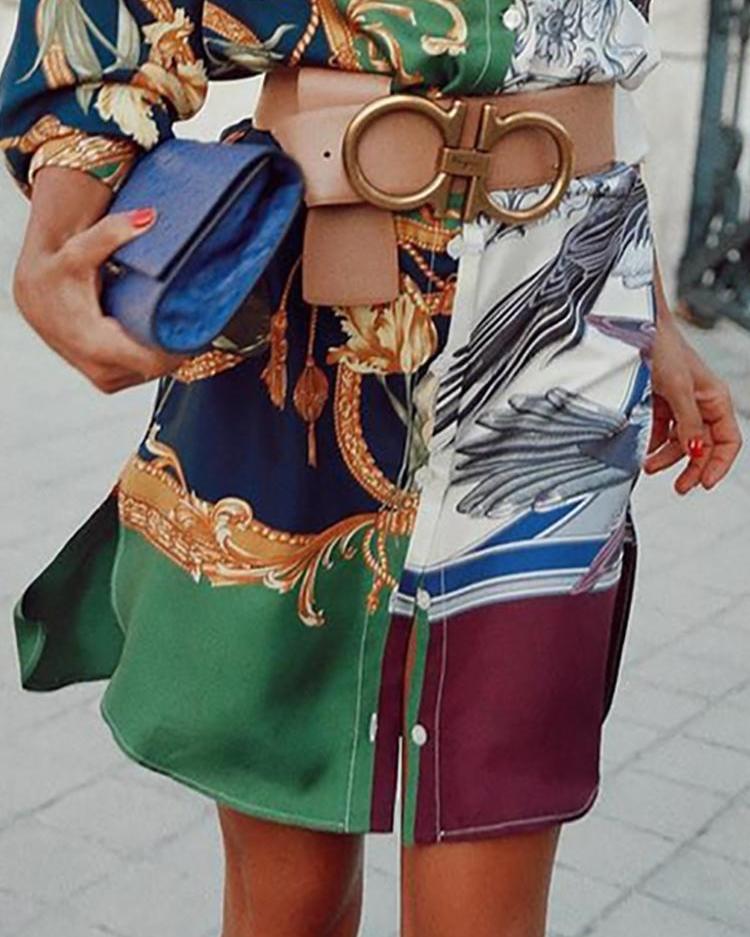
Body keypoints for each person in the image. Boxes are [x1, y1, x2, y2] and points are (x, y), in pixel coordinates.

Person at [0, 2, 743, 936]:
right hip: (312, 314)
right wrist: (58, 235)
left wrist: (652, 312)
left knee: (487, 888)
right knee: (289, 901)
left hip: (564, 329)